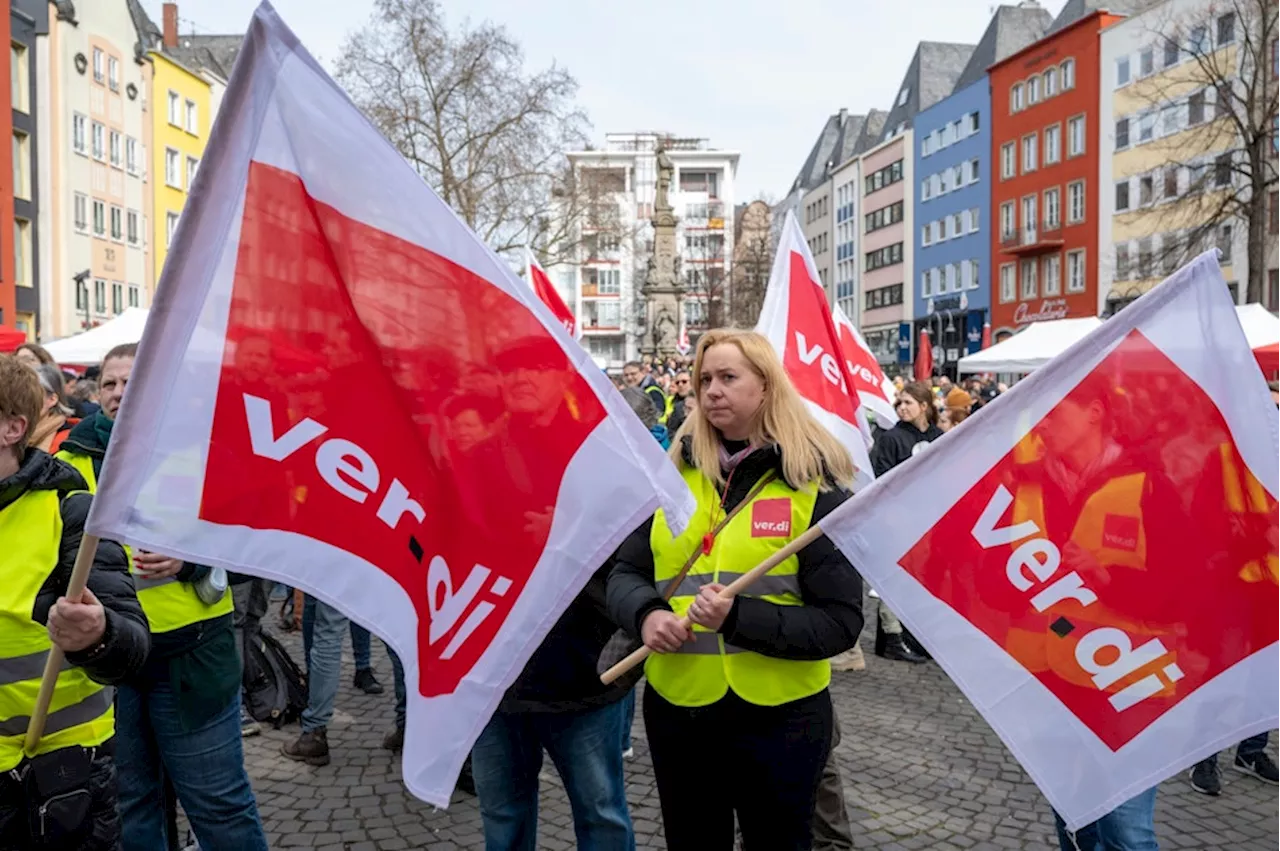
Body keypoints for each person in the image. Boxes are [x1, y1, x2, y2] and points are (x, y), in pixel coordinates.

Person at [608, 328, 864, 851]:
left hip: (782, 719)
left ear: (767, 388)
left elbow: (840, 622)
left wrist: (737, 618)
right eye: (704, 380)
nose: (710, 391)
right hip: (680, 712)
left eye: (728, 377)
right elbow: (623, 574)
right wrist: (646, 615)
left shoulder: (813, 484)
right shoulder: (671, 480)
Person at [57, 344, 269, 851]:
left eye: (131, 381)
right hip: (109, 665)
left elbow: (252, 545)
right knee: (131, 805)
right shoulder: (69, 460)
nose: (118, 392)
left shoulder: (205, 450)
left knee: (218, 805)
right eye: (108, 383)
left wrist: (188, 561)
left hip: (192, 661)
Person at [0, 355, 149, 850]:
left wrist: (98, 635)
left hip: (59, 776)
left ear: (12, 427)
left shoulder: (69, 513)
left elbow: (131, 648)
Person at [867, 381, 944, 664]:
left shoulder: (939, 436)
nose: (901, 408)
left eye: (908, 402)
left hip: (930, 518)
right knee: (896, 576)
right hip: (900, 518)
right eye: (899, 403)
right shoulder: (891, 437)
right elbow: (882, 475)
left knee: (924, 578)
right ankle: (891, 637)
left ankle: (916, 636)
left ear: (924, 406)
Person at [26, 363, 77, 454]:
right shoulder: (15, 433)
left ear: (52, 399)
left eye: (33, 394)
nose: (24, 400)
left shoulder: (70, 440)